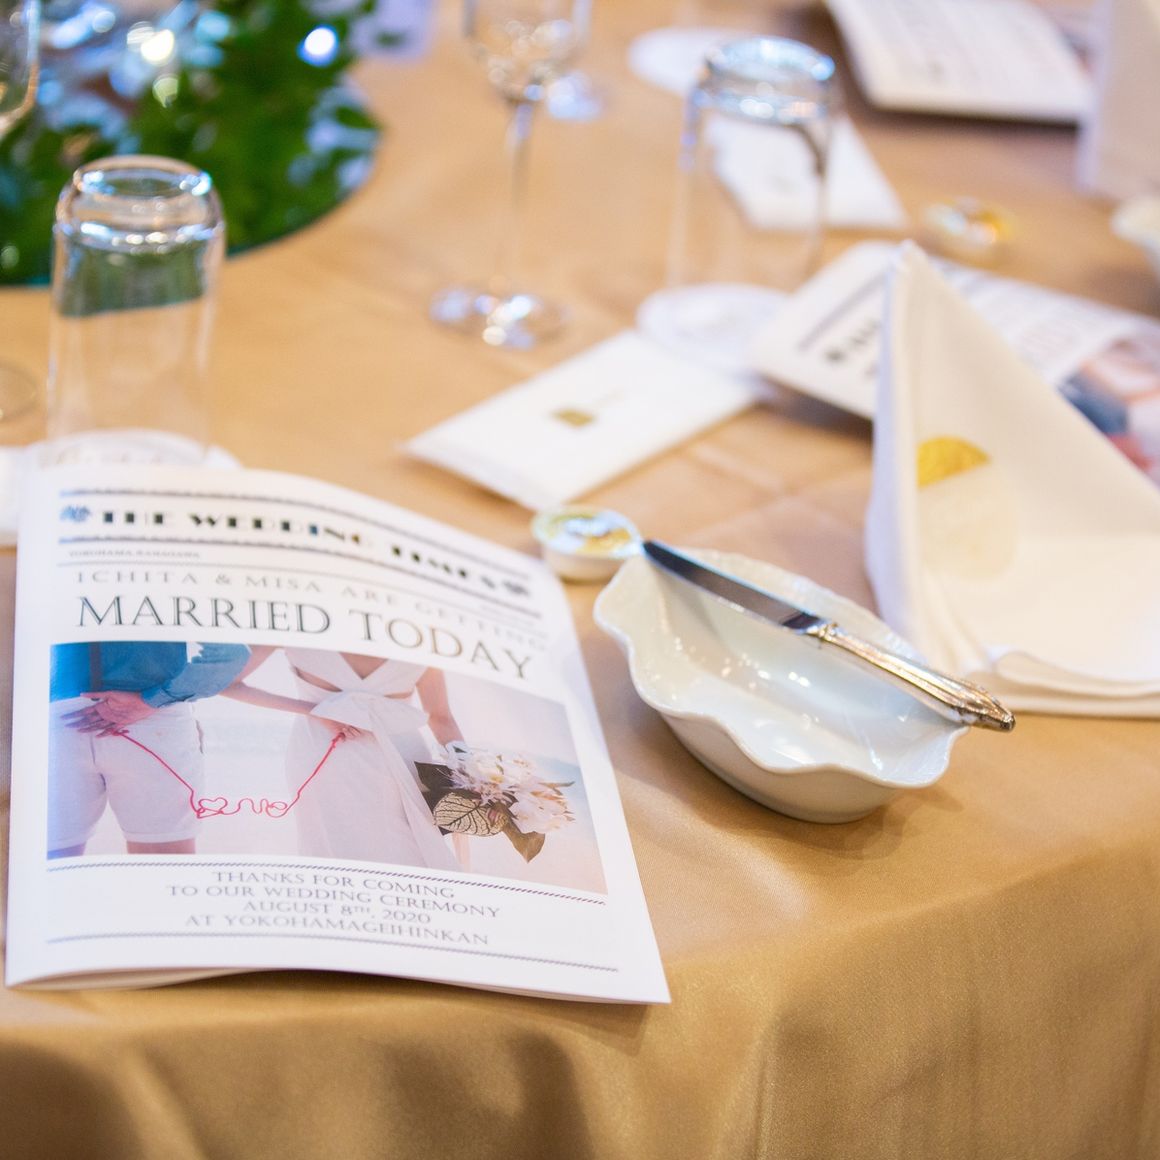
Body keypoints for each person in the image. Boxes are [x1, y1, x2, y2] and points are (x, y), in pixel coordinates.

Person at [223, 647, 463, 868]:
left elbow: (226, 684)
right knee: (405, 861)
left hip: (351, 757)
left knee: (338, 859)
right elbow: (441, 719)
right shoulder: (419, 637)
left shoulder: (298, 625)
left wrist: (474, 780)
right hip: (345, 759)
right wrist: (467, 769)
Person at [48, 640, 252, 859]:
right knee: (162, 869)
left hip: (58, 722)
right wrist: (157, 698)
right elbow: (232, 653)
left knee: (51, 867)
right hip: (152, 721)